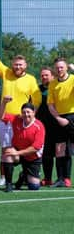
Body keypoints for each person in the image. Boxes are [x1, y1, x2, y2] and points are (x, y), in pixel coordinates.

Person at [0, 37, 41, 186]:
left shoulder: (31, 79)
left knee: (23, 149)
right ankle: (4, 177)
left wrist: (29, 118)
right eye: (15, 64)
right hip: (6, 119)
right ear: (12, 65)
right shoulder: (6, 73)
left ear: (25, 66)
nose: (17, 67)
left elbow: (36, 101)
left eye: (20, 65)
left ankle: (26, 173)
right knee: (5, 148)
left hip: (23, 122)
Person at [0, 96, 45, 192]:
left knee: (34, 187)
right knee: (8, 153)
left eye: (28, 112)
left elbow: (35, 148)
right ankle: (9, 184)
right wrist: (4, 103)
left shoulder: (39, 126)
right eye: (23, 112)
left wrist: (17, 153)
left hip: (33, 157)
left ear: (34, 113)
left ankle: (24, 175)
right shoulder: (17, 119)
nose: (26, 115)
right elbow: (0, 116)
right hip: (17, 151)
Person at [47, 58, 74, 187]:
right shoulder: (52, 84)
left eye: (61, 67)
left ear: (66, 68)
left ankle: (67, 177)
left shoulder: (73, 79)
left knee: (68, 149)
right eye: (57, 68)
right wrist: (58, 118)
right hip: (59, 117)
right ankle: (61, 178)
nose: (59, 70)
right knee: (60, 149)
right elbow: (51, 105)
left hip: (73, 116)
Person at [36, 67, 57, 186]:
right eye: (42, 75)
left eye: (46, 75)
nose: (44, 77)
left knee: (61, 153)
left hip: (56, 125)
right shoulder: (37, 89)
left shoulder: (57, 87)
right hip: (41, 126)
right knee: (45, 153)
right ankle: (47, 178)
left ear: (52, 76)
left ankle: (64, 177)